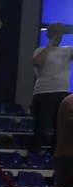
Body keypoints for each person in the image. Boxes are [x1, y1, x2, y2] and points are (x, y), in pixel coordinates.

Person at [33, 26, 73, 155]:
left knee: (60, 129)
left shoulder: (67, 50)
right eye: (55, 32)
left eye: (60, 32)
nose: (58, 35)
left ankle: (55, 156)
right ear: (49, 34)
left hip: (62, 93)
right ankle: (35, 153)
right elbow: (37, 61)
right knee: (42, 128)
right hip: (43, 93)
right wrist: (50, 44)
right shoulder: (40, 50)